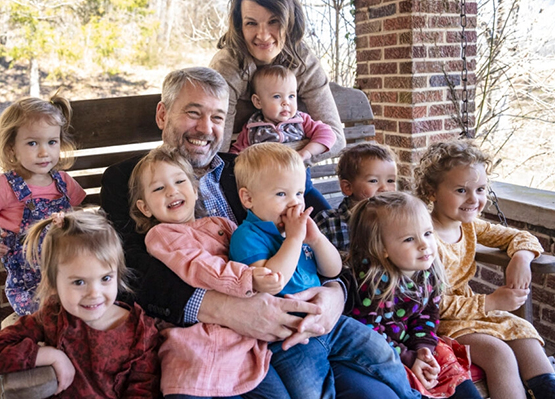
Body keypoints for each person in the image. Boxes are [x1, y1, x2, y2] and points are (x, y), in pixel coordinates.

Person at [100, 67, 409, 399]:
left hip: (307, 324)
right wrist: (226, 309)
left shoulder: (256, 168)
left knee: (377, 395)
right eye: (194, 113)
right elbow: (128, 270)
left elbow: (325, 229)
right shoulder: (129, 180)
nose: (206, 128)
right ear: (163, 114)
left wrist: (335, 295)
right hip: (218, 344)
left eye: (217, 117)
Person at [229, 142, 423, 399]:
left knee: (380, 351)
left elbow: (333, 270)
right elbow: (272, 282)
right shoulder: (247, 237)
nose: (294, 204)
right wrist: (294, 240)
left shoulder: (299, 231)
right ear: (248, 198)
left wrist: (317, 240)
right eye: (281, 195)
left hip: (331, 322)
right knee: (309, 392)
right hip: (288, 338)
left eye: (299, 194)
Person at [414, 140, 555, 399]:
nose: (473, 199)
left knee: (526, 336)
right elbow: (429, 304)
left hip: (475, 315)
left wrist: (521, 257)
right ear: (432, 192)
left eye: (480, 189)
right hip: (439, 324)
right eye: (461, 190)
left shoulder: (470, 226)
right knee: (500, 354)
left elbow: (522, 236)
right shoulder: (423, 237)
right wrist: (491, 302)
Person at [129, 146, 289, 398]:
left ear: (194, 190)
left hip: (243, 343)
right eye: (158, 188)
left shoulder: (222, 225)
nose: (172, 191)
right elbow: (198, 266)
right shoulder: (161, 236)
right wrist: (247, 277)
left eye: (180, 181)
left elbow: (248, 250)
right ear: (145, 207)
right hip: (195, 349)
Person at [0, 211, 161, 398]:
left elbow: (143, 391)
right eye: (79, 282)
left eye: (105, 278)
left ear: (118, 275)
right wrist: (51, 355)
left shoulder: (140, 331)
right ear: (53, 284)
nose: (94, 293)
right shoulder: (52, 317)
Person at [346, 191, 482, 399]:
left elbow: (427, 316)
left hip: (412, 344)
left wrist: (423, 348)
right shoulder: (372, 283)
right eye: (409, 239)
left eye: (428, 233)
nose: (424, 244)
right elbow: (370, 334)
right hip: (381, 352)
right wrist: (409, 357)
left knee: (447, 364)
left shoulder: (428, 271)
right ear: (382, 249)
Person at [0, 94, 86, 317]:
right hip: (29, 286)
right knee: (43, 322)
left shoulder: (63, 182)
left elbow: (80, 212)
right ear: (12, 147)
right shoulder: (3, 186)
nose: (44, 152)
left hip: (69, 275)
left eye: (52, 142)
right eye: (32, 143)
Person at [210, 0, 345, 162]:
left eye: (274, 21)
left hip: (294, 174)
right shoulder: (227, 65)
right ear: (240, 27)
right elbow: (218, 153)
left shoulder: (303, 62)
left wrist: (288, 161)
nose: (263, 35)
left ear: (290, 22)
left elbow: (336, 137)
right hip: (246, 176)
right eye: (251, 23)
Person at [229, 65, 336, 164]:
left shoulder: (300, 121)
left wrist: (306, 152)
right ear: (258, 102)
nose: (286, 102)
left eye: (291, 96)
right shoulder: (252, 128)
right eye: (277, 96)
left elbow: (327, 134)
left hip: (298, 173)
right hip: (265, 177)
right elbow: (236, 154)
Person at [314, 141, 397, 252]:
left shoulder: (399, 220)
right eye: (373, 181)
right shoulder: (328, 223)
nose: (385, 188)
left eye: (390, 180)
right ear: (348, 187)